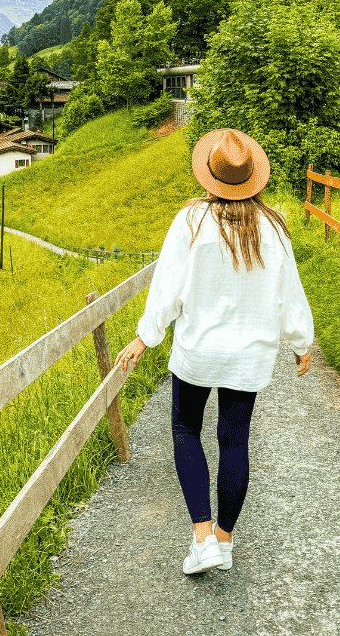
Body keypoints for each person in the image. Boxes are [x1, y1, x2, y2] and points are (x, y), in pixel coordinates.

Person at [115, 128, 314, 575]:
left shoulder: (191, 221)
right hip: (249, 356)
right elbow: (290, 292)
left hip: (198, 351)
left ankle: (202, 537)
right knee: (234, 441)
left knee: (186, 431)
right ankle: (223, 543)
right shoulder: (274, 227)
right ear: (252, 179)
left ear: (210, 176)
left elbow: (167, 288)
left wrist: (146, 336)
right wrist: (302, 341)